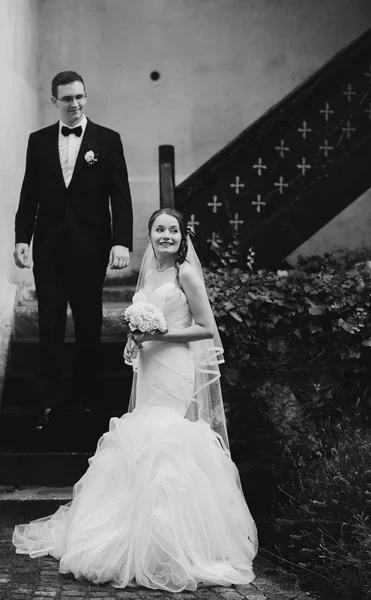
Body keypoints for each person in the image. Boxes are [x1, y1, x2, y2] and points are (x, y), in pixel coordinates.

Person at [12, 208, 258, 593]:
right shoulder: (151, 274)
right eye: (159, 229)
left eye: (173, 230)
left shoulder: (185, 274)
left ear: (182, 237)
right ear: (150, 235)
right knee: (140, 439)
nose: (166, 236)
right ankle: (130, 533)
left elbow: (206, 328)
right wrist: (136, 338)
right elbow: (146, 320)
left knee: (164, 440)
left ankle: (169, 543)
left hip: (175, 369)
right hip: (149, 368)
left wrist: (159, 336)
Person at [14, 71, 133, 429]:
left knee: (88, 324)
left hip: (90, 249)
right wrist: (23, 238)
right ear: (55, 102)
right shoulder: (38, 141)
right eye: (67, 98)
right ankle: (48, 403)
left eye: (80, 96)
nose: (75, 104)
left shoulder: (108, 140)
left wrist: (121, 241)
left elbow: (120, 196)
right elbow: (29, 194)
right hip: (49, 250)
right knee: (49, 325)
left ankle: (86, 399)